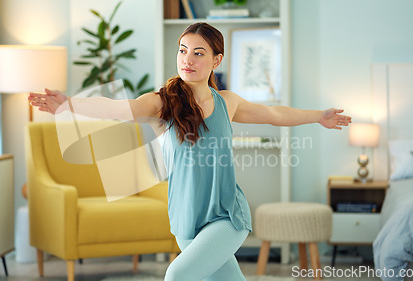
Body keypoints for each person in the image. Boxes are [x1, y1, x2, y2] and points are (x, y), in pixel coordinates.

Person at [28, 22, 351, 281]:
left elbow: (275, 114)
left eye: (198, 53)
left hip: (227, 215)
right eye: (183, 51)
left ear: (216, 60)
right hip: (185, 220)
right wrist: (69, 105)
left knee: (177, 275)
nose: (188, 59)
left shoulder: (228, 102)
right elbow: (118, 108)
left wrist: (318, 117)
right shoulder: (163, 102)